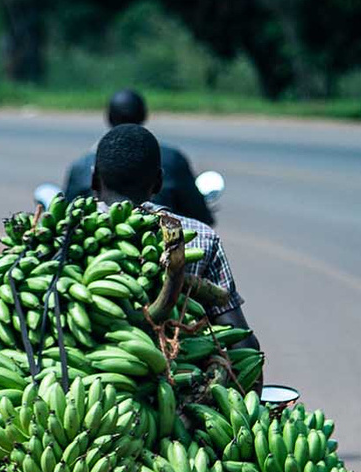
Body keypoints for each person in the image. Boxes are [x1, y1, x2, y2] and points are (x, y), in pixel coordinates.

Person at [93, 123, 258, 348]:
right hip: (179, 374)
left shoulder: (62, 237)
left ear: (94, 180)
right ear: (159, 182)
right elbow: (241, 341)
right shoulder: (199, 238)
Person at [65, 89, 215, 227]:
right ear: (158, 182)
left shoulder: (82, 166)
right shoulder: (173, 160)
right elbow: (201, 215)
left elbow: (67, 214)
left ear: (94, 179)